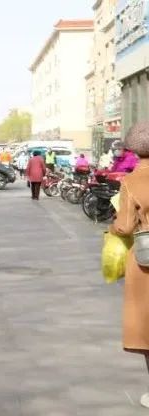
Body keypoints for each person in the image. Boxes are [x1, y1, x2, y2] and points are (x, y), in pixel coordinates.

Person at [108, 122, 149, 408]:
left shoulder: (132, 182)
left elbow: (124, 226)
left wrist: (113, 228)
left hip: (146, 262)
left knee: (147, 325)